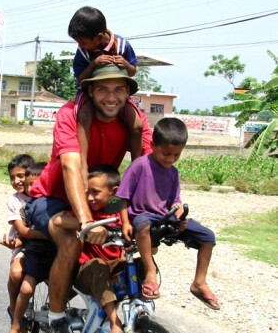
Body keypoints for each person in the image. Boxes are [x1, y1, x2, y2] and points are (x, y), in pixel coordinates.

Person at [24, 64, 152, 333]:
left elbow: (150, 168)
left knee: (139, 231)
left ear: (128, 92)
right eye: (103, 89)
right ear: (91, 91)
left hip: (101, 196)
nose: (111, 97)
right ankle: (57, 317)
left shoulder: (134, 120)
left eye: (119, 89)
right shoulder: (71, 114)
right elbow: (71, 166)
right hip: (51, 198)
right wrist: (85, 221)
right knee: (71, 241)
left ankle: (106, 304)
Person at [116, 117, 221, 310]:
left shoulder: (173, 172)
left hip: (166, 217)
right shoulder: (139, 165)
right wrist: (125, 223)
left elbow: (175, 201)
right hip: (142, 216)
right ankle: (149, 271)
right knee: (143, 224)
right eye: (166, 153)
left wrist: (180, 217)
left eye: (176, 155)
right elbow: (122, 197)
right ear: (152, 144)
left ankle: (199, 282)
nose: (171, 159)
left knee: (208, 236)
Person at [68, 6, 144, 185]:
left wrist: (125, 63)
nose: (80, 46)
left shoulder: (123, 45)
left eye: (83, 42)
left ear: (101, 37)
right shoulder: (83, 53)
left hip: (116, 94)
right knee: (84, 116)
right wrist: (94, 64)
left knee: (137, 125)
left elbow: (133, 71)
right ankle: (83, 165)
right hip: (90, 92)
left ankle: (137, 169)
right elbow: (80, 79)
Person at [52, 164, 125, 333]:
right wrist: (87, 226)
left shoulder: (120, 211)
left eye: (96, 192)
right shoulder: (86, 213)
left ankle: (139, 314)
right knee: (98, 265)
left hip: (113, 266)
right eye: (87, 192)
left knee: (139, 265)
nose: (90, 198)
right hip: (86, 271)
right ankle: (115, 322)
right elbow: (58, 220)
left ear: (113, 192)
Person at [0, 154, 46, 325]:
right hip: (24, 243)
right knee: (16, 273)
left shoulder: (45, 195)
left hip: (47, 244)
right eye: (12, 177)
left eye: (21, 176)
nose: (17, 181)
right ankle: (13, 308)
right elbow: (23, 232)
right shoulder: (14, 200)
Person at [9, 161, 55, 333]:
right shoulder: (24, 208)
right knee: (24, 285)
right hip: (35, 250)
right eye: (28, 185)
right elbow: (24, 234)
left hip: (56, 251)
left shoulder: (56, 202)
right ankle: (15, 323)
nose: (29, 188)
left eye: (34, 184)